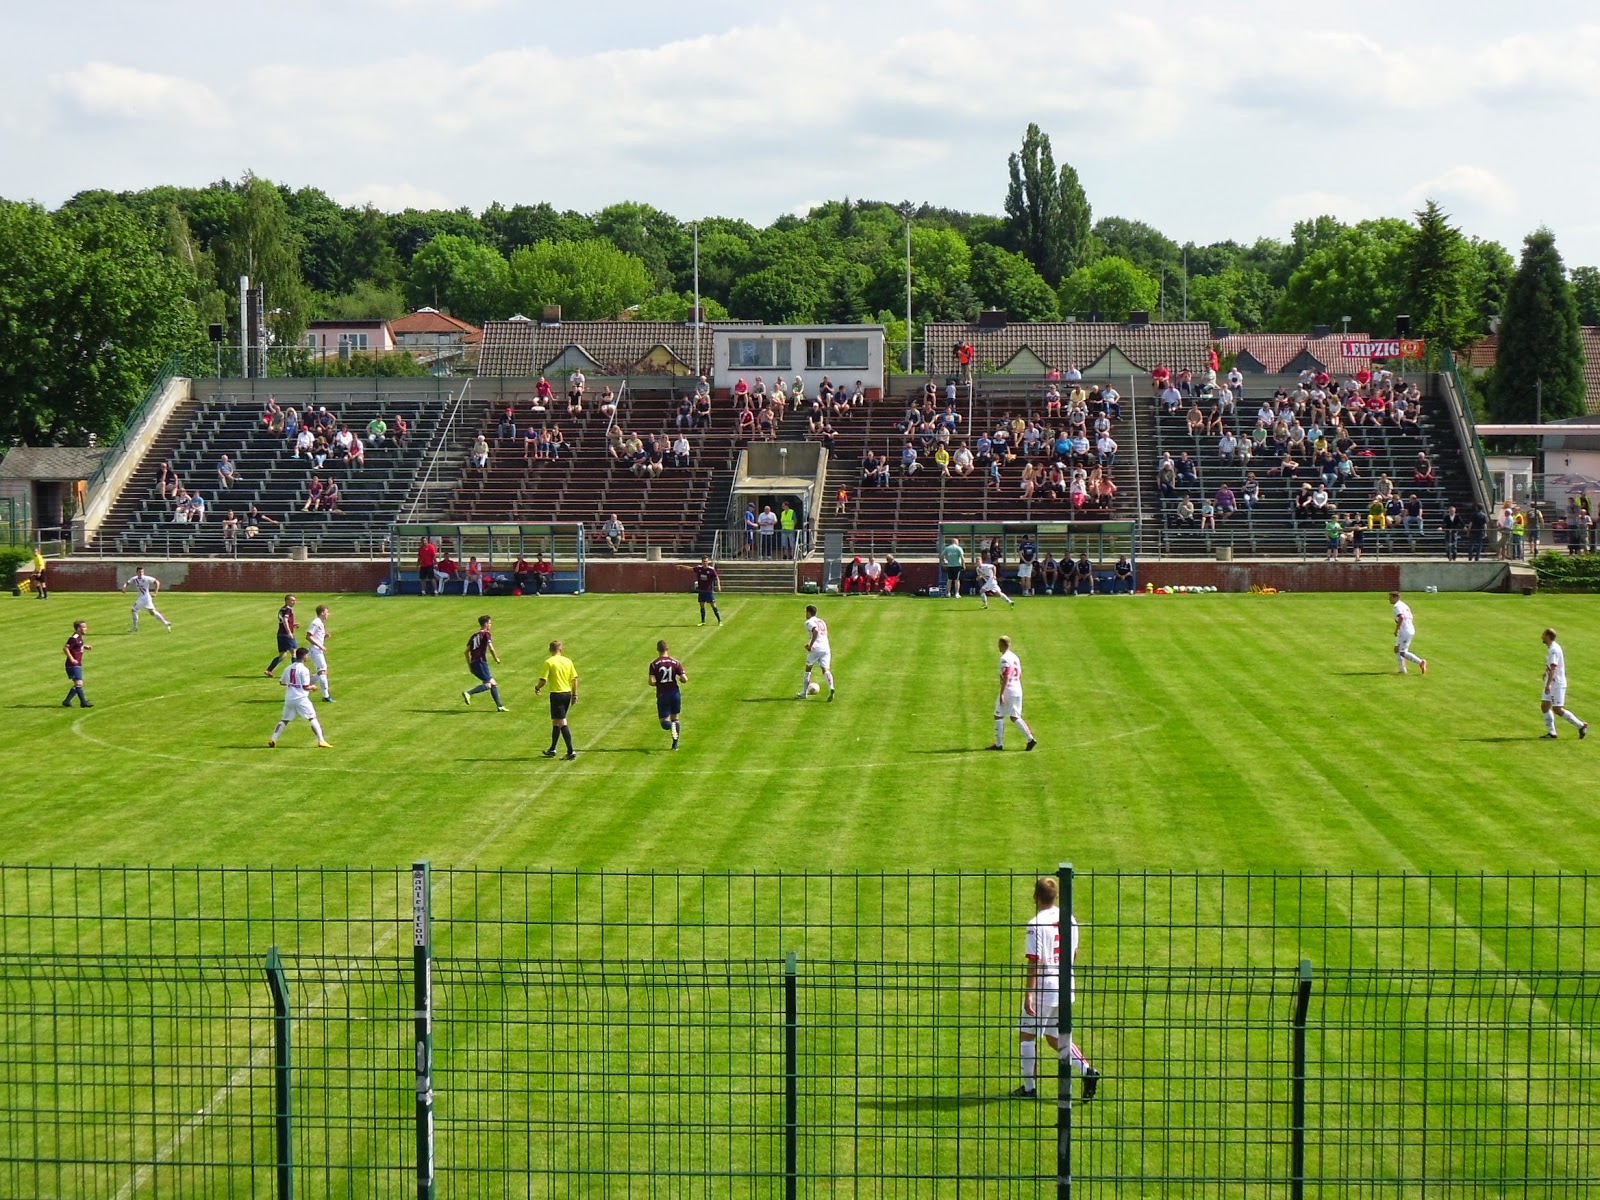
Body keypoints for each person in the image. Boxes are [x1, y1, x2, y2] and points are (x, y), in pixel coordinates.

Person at [1013, 875, 1099, 1100]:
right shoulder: (1069, 918)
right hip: (1065, 985)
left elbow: (1035, 960)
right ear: (1056, 896)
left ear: (1035, 896)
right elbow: (1075, 952)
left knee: (1027, 1035)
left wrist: (1029, 993)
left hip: (1044, 987)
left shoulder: (1035, 924)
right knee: (1054, 1036)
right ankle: (1087, 1070)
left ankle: (1029, 1089)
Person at [268, 647, 332, 749]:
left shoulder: (288, 668)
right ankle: (321, 740)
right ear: (304, 656)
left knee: (284, 720)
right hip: (301, 698)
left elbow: (282, 682)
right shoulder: (304, 670)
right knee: (312, 718)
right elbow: (306, 686)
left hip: (289, 698)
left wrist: (293, 684)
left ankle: (273, 739)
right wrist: (313, 688)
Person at [989, 635, 1036, 751]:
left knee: (998, 715)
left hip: (1009, 689)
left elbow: (1006, 675)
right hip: (1017, 688)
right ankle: (1030, 739)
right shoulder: (1015, 656)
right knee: (1015, 716)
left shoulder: (1004, 659)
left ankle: (999, 744)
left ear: (1002, 645)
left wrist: (1002, 693)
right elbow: (1020, 674)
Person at [1541, 627, 1589, 739]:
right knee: (1544, 706)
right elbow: (1551, 666)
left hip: (1556, 684)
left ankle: (1581, 725)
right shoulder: (1553, 647)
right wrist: (1546, 672)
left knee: (1557, 709)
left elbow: (1554, 668)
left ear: (1548, 636)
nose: (1542, 637)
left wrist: (1548, 685)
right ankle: (1552, 733)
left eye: (1543, 635)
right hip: (1553, 681)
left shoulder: (1553, 650)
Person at [535, 639, 579, 759]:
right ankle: (552, 749)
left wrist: (537, 687)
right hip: (567, 694)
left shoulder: (549, 662)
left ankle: (571, 751)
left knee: (561, 722)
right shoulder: (568, 661)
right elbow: (574, 679)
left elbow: (543, 680)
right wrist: (575, 695)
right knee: (556, 721)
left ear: (550, 650)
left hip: (556, 694)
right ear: (561, 649)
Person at [460, 614, 508, 711]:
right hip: (481, 662)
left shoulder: (474, 635)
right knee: (489, 684)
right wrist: (496, 658)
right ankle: (469, 693)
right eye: (490, 623)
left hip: (474, 663)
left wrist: (470, 666)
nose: (491, 625)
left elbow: (466, 652)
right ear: (485, 624)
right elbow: (491, 648)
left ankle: (499, 706)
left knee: (493, 683)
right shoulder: (486, 634)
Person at [648, 638, 688, 751]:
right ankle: (675, 746)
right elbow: (684, 679)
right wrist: (680, 680)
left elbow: (651, 681)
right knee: (675, 718)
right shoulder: (675, 662)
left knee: (664, 721)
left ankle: (671, 727)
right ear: (667, 648)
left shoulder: (654, 664)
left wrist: (658, 683)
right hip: (675, 693)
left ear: (657, 649)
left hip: (663, 695)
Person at [797, 604, 835, 700]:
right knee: (825, 669)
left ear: (809, 613)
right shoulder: (821, 621)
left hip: (816, 648)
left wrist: (810, 645)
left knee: (808, 669)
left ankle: (804, 693)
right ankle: (831, 687)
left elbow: (815, 631)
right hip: (826, 647)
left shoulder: (809, 622)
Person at [121, 566, 173, 632]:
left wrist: (155, 592)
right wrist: (124, 587)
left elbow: (157, 582)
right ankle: (166, 623)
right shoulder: (135, 579)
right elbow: (127, 583)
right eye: (140, 572)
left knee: (134, 610)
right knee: (152, 612)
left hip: (144, 598)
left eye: (142, 572)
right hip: (145, 598)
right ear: (136, 572)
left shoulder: (146, 578)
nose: (141, 573)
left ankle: (135, 627)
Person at [1390, 591, 1427, 676]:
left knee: (1403, 652)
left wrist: (1397, 629)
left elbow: (1401, 617)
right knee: (1396, 649)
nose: (1389, 599)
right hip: (1408, 629)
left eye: (1391, 597)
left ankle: (1421, 662)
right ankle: (1403, 670)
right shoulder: (1403, 604)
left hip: (1405, 631)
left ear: (1396, 597)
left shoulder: (1397, 606)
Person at [306, 603, 335, 702]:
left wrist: (324, 637)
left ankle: (304, 685)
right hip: (315, 650)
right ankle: (326, 696)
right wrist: (320, 645)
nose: (328, 614)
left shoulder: (320, 623)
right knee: (322, 671)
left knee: (322, 671)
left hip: (317, 649)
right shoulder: (316, 622)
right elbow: (308, 636)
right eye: (327, 612)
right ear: (322, 613)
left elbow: (316, 636)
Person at [62, 620, 93, 708]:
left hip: (77, 663)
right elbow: (65, 648)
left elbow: (77, 645)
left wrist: (84, 646)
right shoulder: (74, 637)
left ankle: (67, 701)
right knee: (79, 682)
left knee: (78, 684)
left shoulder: (78, 637)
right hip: (73, 664)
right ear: (79, 628)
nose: (86, 629)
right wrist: (72, 659)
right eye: (84, 627)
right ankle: (83, 702)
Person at [264, 594, 298, 675]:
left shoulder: (282, 609)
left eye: (295, 600)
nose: (294, 602)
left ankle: (269, 670)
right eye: (292, 600)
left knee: (282, 655)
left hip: (280, 634)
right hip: (286, 635)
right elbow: (285, 620)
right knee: (294, 652)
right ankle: (295, 672)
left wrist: (292, 625)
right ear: (287, 601)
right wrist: (289, 632)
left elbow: (282, 621)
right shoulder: (288, 610)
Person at [693, 556, 723, 626]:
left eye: (706, 561)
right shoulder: (699, 568)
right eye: (704, 561)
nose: (705, 563)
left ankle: (719, 621)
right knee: (702, 606)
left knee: (713, 605)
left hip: (709, 591)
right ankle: (703, 621)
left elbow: (717, 577)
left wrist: (719, 585)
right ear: (702, 562)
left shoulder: (711, 570)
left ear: (708, 562)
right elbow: (690, 569)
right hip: (701, 591)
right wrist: (681, 567)